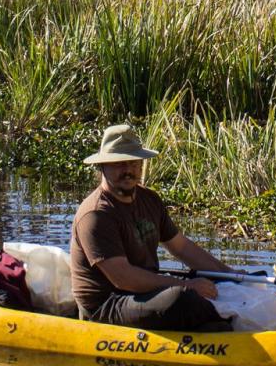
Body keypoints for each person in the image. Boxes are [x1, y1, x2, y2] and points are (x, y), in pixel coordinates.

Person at [69, 123, 236, 331]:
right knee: (181, 298)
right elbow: (123, 278)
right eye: (119, 163)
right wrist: (186, 285)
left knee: (208, 285)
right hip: (108, 306)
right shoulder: (95, 214)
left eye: (134, 162)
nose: (128, 170)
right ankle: (220, 324)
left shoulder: (150, 199)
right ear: (102, 166)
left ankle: (217, 324)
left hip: (144, 294)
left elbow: (181, 247)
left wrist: (232, 275)